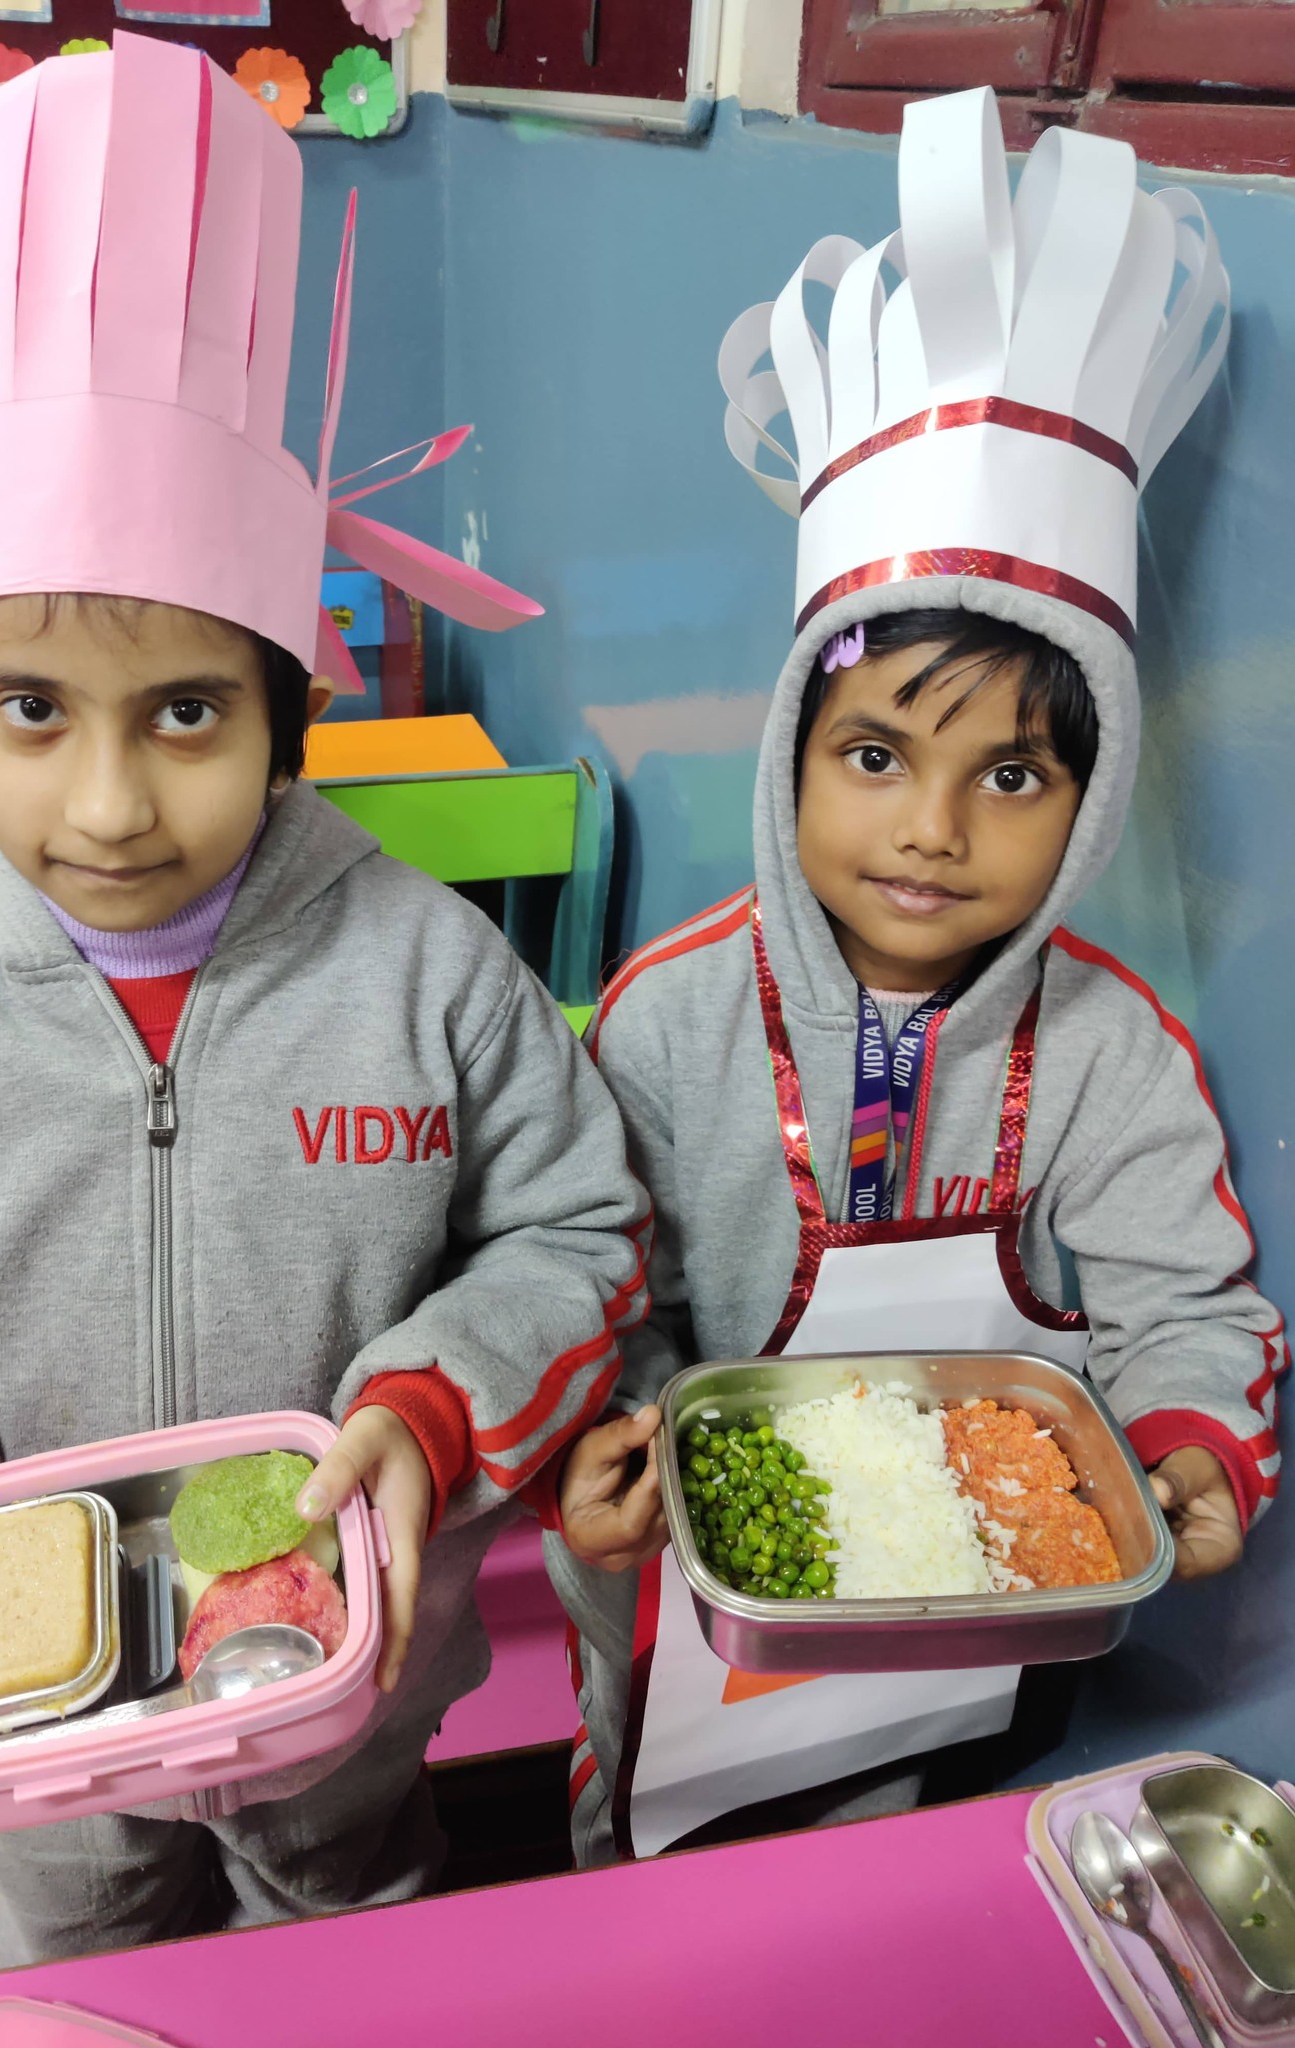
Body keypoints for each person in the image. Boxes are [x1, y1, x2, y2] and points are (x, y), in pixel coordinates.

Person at [0, 36, 648, 1964]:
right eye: (31, 712)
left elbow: (576, 1228)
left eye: (184, 713)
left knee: (357, 1926)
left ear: (283, 710)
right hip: (31, 1717)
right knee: (79, 1961)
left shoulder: (427, 973)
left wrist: (430, 1404)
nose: (107, 803)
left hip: (349, 1678)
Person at [546, 86, 1282, 1866]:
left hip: (987, 1622)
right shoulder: (668, 1017)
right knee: (672, 1879)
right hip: (707, 1607)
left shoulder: (1112, 1051)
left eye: (1011, 776)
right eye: (875, 755)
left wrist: (1192, 1438)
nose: (934, 830)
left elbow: (1187, 1306)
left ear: (1091, 799)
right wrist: (623, 1423)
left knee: (913, 1864)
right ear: (789, 754)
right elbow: (603, 1282)